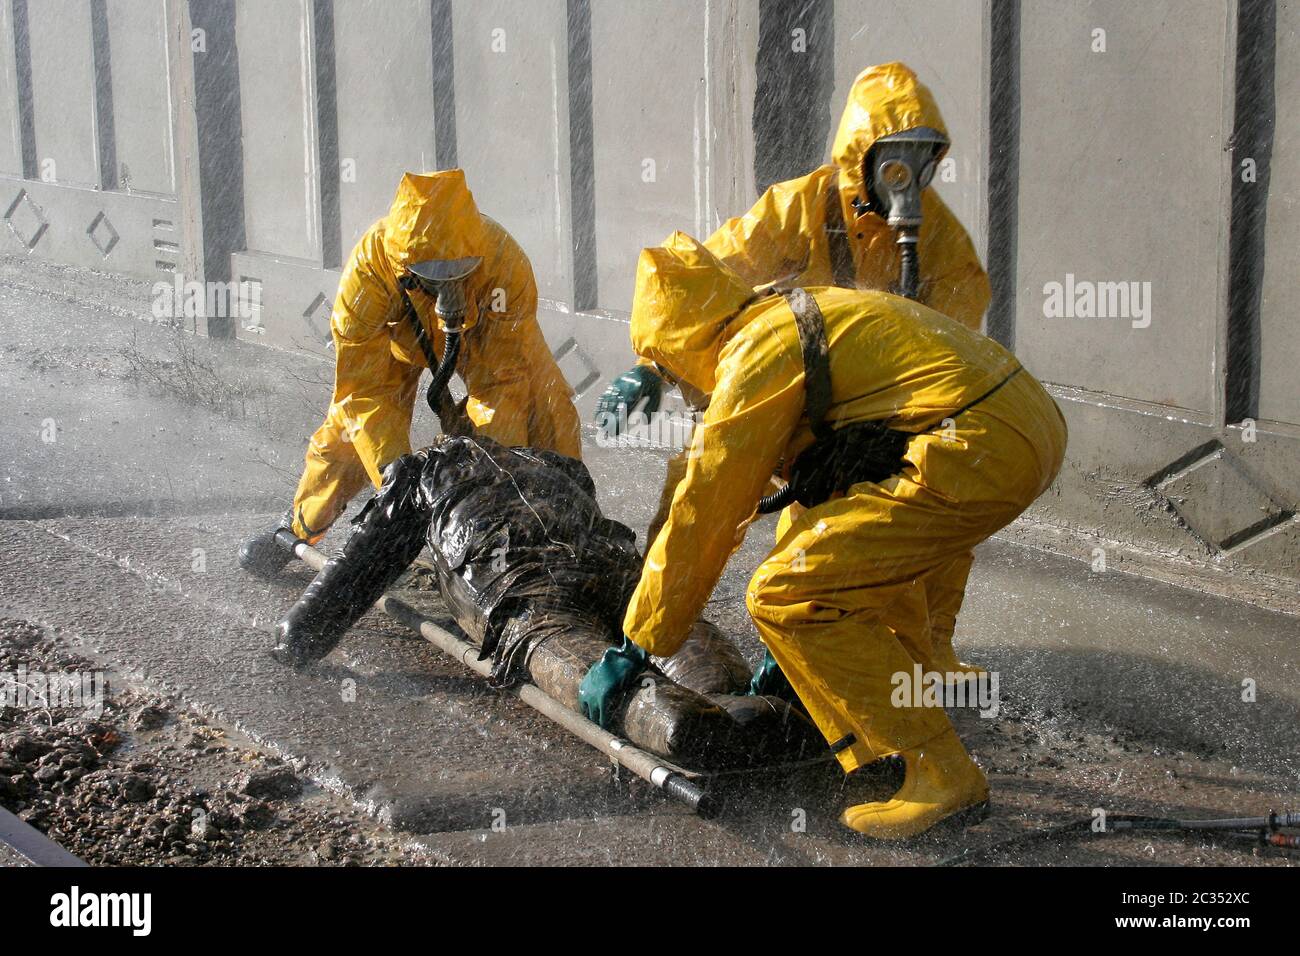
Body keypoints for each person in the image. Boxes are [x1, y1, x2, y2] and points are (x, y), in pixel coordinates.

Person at [578, 233, 1066, 838]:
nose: (684, 391)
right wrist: (795, 663)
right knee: (836, 557)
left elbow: (704, 510)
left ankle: (942, 774)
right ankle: (890, 739)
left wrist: (640, 642)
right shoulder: (790, 319)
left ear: (690, 344)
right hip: (1019, 424)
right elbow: (739, 491)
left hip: (977, 445)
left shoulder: (756, 356)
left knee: (783, 595)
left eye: (674, 372)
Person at [594, 62, 991, 675]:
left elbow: (953, 364)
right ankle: (654, 634)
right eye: (895, 159)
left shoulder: (947, 250)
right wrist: (655, 365)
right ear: (862, 154)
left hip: (876, 416)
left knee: (909, 527)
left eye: (923, 159)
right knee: (698, 489)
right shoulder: (803, 207)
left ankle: (905, 664)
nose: (908, 179)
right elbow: (710, 276)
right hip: (783, 381)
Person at [239, 169, 581, 577]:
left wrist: (491, 475)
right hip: (396, 344)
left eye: (460, 274)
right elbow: (365, 394)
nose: (450, 287)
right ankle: (299, 527)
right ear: (405, 268)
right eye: (436, 278)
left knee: (546, 405)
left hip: (480, 337)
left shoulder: (504, 263)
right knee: (347, 437)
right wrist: (398, 479)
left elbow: (504, 383)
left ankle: (565, 537)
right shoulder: (368, 272)